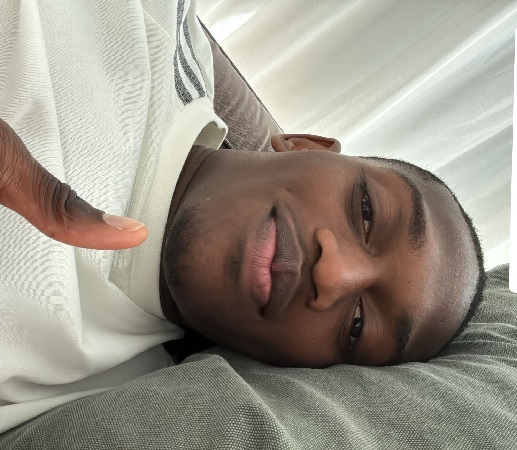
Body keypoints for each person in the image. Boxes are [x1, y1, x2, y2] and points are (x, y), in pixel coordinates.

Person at [0, 0, 483, 434]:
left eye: (357, 326)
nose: (334, 275)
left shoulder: (89, 396)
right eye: (366, 212)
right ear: (304, 144)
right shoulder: (158, 23)